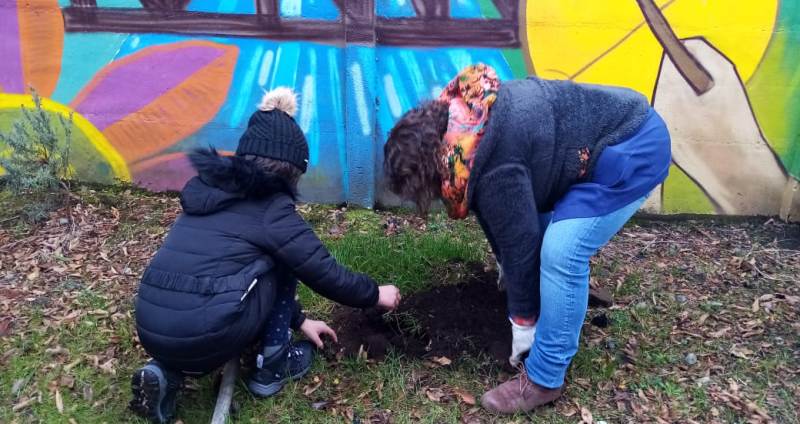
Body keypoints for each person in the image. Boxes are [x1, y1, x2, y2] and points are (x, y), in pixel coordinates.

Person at [383, 64, 671, 414]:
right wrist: (506, 266)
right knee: (538, 239)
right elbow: (496, 214)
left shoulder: (493, 164)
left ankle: (545, 378)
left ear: (433, 169)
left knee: (561, 254)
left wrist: (523, 325)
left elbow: (519, 243)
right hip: (599, 136)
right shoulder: (468, 124)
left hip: (631, 147)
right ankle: (560, 294)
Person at [129, 88, 401, 423]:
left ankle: (164, 371)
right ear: (291, 171)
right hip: (208, 330)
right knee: (284, 262)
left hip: (151, 323)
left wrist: (300, 321)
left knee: (225, 276)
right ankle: (273, 363)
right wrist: (374, 294)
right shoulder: (272, 212)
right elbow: (323, 271)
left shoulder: (206, 194)